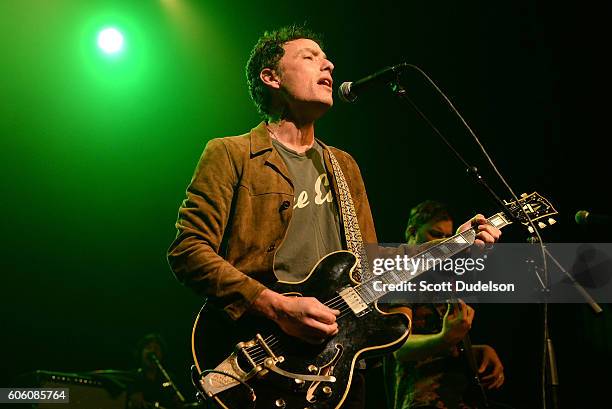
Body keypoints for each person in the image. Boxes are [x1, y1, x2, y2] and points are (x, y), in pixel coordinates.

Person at [167, 25, 501, 409]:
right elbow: (187, 251)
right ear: (271, 77)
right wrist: (278, 307)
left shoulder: (343, 166)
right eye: (309, 57)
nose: (328, 63)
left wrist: (452, 245)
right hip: (258, 355)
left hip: (336, 368)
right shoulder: (231, 153)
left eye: (325, 58)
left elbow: (373, 268)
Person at [389, 201, 504, 409]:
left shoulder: (447, 277)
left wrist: (477, 350)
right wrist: (444, 338)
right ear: (411, 231)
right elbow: (398, 347)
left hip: (461, 398)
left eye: (447, 237)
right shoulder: (400, 276)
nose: (444, 243)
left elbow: (448, 342)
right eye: (435, 234)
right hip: (421, 401)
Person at [126, 334, 183, 409]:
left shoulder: (169, 378)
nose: (152, 351)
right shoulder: (132, 377)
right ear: (141, 353)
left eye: (156, 348)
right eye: (148, 347)